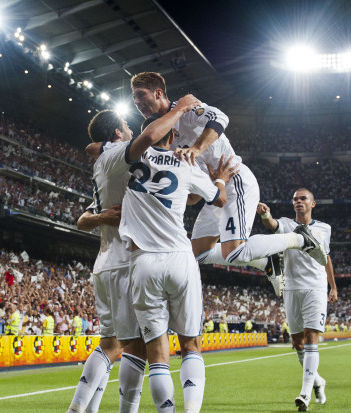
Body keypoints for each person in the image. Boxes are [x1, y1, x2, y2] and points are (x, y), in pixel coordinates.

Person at [58, 103, 199, 413]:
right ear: (118, 136)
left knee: (112, 344)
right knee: (133, 348)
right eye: (126, 127)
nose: (133, 132)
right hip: (128, 261)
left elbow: (94, 152)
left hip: (105, 263)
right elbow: (150, 137)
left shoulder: (103, 161)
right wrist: (182, 110)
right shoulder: (125, 155)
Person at [130, 72, 326, 285]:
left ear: (158, 93)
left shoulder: (186, 109)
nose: (137, 102)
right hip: (216, 189)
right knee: (197, 254)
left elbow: (221, 118)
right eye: (134, 99)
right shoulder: (163, 134)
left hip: (235, 180)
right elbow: (194, 196)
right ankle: (265, 262)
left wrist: (197, 148)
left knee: (234, 253)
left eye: (141, 95)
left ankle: (301, 238)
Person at [118, 103, 238, 413]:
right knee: (191, 345)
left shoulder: (130, 159)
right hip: (180, 258)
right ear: (173, 134)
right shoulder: (186, 163)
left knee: (157, 354)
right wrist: (220, 178)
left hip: (144, 262)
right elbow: (219, 199)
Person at [257, 189, 338, 412]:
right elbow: (272, 225)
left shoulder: (324, 229)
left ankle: (304, 393)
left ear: (313, 203)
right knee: (297, 342)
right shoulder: (286, 224)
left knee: (312, 336)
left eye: (303, 199)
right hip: (292, 288)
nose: (298, 202)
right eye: (295, 199)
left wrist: (333, 286)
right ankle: (318, 381)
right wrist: (265, 215)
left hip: (316, 287)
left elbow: (326, 258)